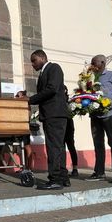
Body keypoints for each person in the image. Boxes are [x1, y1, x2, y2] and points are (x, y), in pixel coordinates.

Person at [28, 50, 69, 190]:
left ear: (42, 57)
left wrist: (30, 100)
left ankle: (55, 179)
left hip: (55, 114)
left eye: (34, 60)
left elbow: (51, 89)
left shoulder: (54, 68)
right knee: (58, 146)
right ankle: (63, 178)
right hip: (51, 114)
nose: (32, 64)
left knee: (53, 147)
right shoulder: (42, 73)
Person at [86, 54, 112, 184]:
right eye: (91, 63)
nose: (92, 66)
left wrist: (108, 104)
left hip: (110, 115)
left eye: (94, 63)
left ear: (103, 63)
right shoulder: (90, 77)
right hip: (95, 115)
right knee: (98, 144)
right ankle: (99, 172)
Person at [15, 90, 34, 171]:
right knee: (24, 147)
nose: (16, 97)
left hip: (24, 126)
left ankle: (29, 167)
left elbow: (27, 115)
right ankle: (25, 167)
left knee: (27, 147)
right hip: (22, 126)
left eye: (17, 95)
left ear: (21, 94)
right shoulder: (25, 101)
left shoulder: (24, 101)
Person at [63, 86, 79, 177]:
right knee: (62, 147)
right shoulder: (58, 100)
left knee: (71, 146)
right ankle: (63, 168)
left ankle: (75, 168)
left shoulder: (69, 102)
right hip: (61, 125)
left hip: (68, 125)